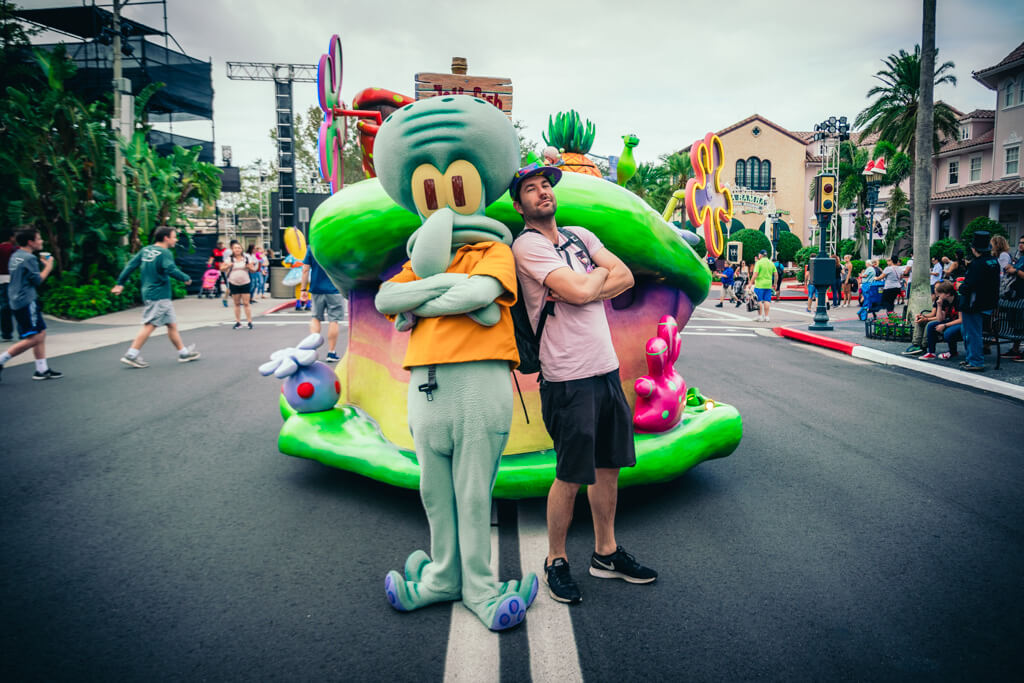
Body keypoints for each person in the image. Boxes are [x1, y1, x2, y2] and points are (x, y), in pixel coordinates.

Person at [511, 164, 656, 605]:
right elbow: (579, 290)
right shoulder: (527, 246)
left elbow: (625, 276)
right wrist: (592, 284)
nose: (542, 193)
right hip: (566, 377)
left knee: (608, 467)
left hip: (605, 369)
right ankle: (556, 559)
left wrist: (582, 287)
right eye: (531, 191)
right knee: (571, 474)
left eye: (545, 186)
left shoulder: (580, 236)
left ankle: (605, 552)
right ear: (520, 206)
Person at [112, 226, 200, 368]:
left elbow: (130, 266)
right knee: (150, 324)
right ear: (166, 238)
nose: (175, 239)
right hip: (159, 294)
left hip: (151, 292)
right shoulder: (164, 253)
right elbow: (170, 268)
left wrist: (120, 283)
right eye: (174, 236)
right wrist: (185, 278)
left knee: (171, 324)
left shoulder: (146, 250)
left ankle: (183, 353)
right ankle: (131, 354)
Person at [0, 228, 62, 381]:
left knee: (40, 333)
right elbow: (37, 281)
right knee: (34, 337)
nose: (41, 241)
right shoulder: (29, 258)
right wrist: (48, 266)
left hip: (15, 299)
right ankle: (2, 360)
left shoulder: (16, 256)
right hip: (27, 301)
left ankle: (42, 369)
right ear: (30, 242)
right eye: (39, 238)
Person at [957, 231, 1001, 372]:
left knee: (972, 332)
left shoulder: (977, 264)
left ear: (974, 249)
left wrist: (960, 287)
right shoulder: (994, 262)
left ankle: (975, 360)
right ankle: (972, 358)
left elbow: (970, 285)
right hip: (988, 302)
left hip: (973, 303)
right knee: (970, 331)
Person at [300, 246, 345, 362]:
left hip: (316, 289)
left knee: (315, 318)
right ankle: (331, 352)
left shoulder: (313, 246)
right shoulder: (338, 246)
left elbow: (305, 269)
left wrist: (303, 290)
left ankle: (312, 351)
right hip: (335, 289)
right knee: (334, 320)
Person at [914, 282, 958, 359]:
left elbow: (961, 319)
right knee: (931, 325)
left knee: (948, 332)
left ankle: (952, 352)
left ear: (947, 294)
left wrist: (944, 325)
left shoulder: (958, 300)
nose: (938, 295)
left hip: (960, 322)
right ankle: (931, 352)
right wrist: (939, 306)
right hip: (950, 321)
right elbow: (939, 319)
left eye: (940, 293)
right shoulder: (943, 300)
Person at [222, 241, 258, 329]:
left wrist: (249, 267)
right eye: (235, 248)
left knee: (246, 303)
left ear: (241, 249)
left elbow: (253, 269)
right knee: (236, 303)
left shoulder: (246, 258)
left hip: (245, 282)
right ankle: (238, 322)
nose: (237, 250)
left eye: (239, 248)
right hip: (233, 282)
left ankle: (249, 321)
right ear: (232, 250)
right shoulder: (229, 259)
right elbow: (222, 268)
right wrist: (228, 266)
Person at [0, 229, 16, 341]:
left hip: (1, 280)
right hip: (13, 280)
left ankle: (6, 333)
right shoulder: (15, 250)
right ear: (11, 237)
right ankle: (24, 331)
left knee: (4, 306)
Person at [751, 250, 775, 322]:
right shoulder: (771, 263)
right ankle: (767, 317)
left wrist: (750, 283)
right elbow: (776, 274)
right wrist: (775, 283)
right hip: (768, 285)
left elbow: (755, 274)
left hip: (759, 285)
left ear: (760, 255)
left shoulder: (759, 263)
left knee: (759, 301)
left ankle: (760, 316)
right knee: (767, 300)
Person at [207, 240, 228, 305]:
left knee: (226, 280)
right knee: (218, 281)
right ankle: (218, 293)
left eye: (221, 244)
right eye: (219, 244)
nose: (220, 245)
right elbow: (211, 258)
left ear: (223, 244)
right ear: (217, 245)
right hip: (217, 268)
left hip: (224, 268)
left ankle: (230, 292)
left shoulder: (226, 250)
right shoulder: (214, 251)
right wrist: (209, 263)